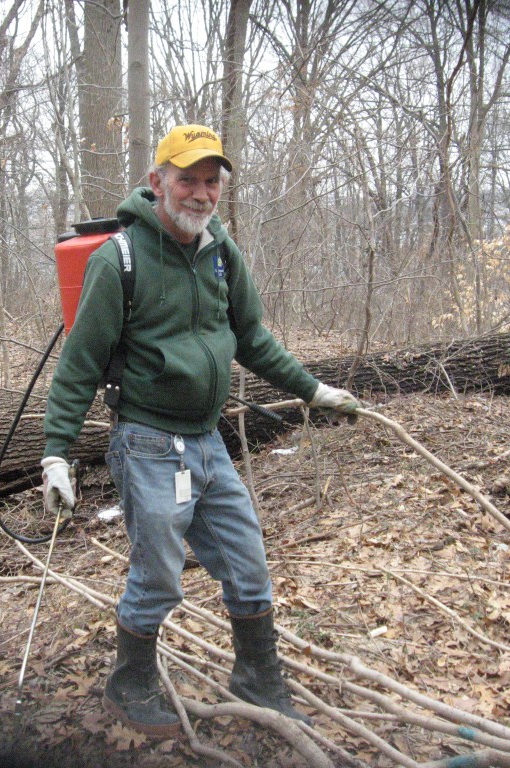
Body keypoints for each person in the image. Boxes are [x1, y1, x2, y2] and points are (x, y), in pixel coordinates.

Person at [40, 124, 360, 736]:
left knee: (247, 560)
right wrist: (56, 454)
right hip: (149, 444)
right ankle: (129, 682)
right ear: (157, 182)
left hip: (207, 442)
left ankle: (258, 679)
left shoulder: (220, 251)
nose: (200, 193)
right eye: (187, 179)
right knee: (158, 571)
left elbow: (252, 339)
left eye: (211, 181)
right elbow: (79, 364)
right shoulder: (120, 260)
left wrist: (314, 391)